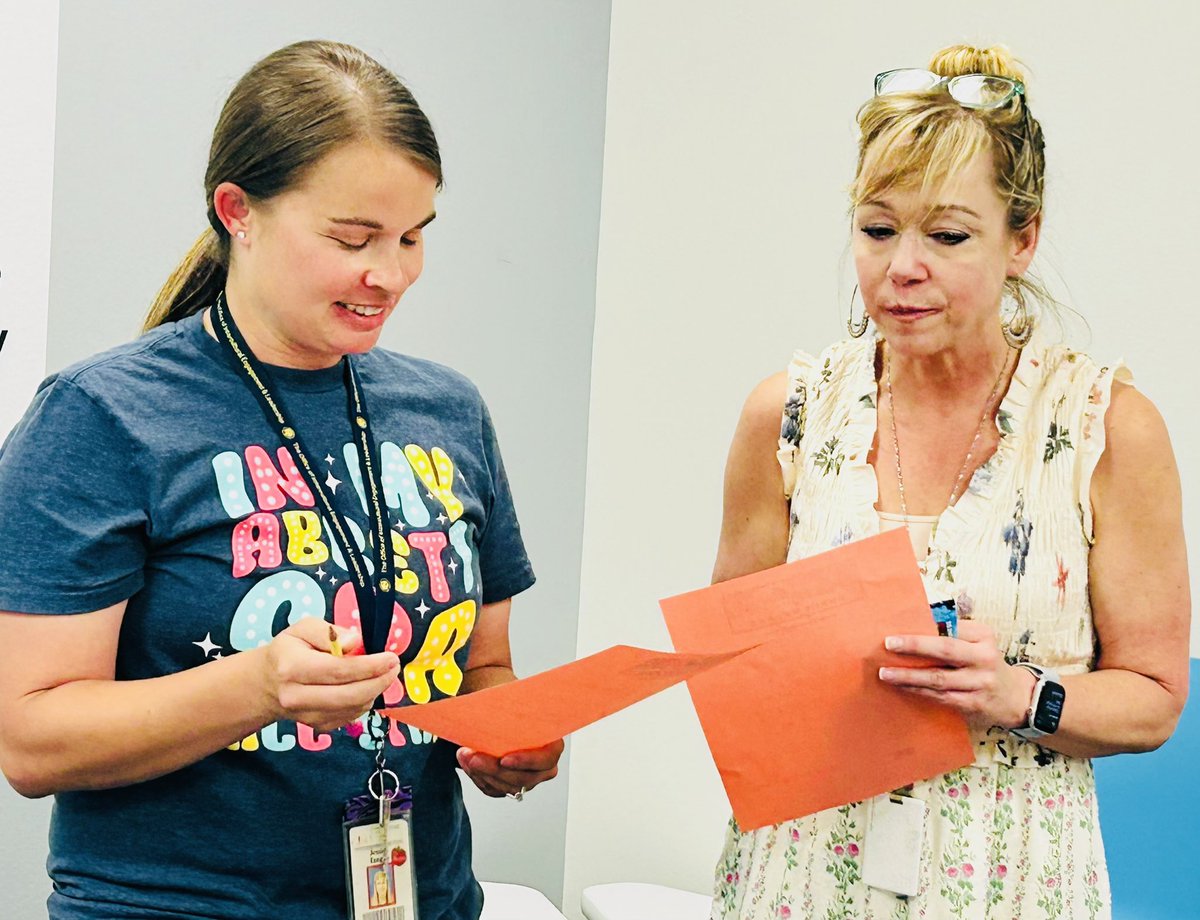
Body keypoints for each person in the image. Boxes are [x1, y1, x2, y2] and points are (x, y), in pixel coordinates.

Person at [0, 39, 562, 920]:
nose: (390, 273)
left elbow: (484, 664)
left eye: (413, 236)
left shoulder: (448, 411)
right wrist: (257, 687)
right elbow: (31, 740)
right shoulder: (100, 417)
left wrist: (508, 739)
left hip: (424, 899)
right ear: (238, 212)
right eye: (352, 238)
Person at [709, 44, 1189, 918]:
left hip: (1009, 880)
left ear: (1024, 238)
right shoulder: (789, 414)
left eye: (949, 234)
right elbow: (735, 668)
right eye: (878, 227)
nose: (903, 266)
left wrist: (1016, 694)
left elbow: (1154, 701)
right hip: (802, 873)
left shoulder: (1106, 427)